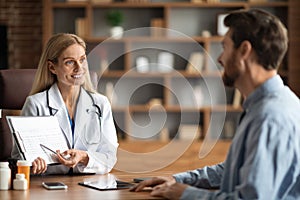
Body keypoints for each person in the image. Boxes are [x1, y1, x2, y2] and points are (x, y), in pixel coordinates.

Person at [130, 9, 300, 199]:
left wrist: (186, 194)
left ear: (244, 50)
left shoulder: (270, 117)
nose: (220, 59)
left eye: (225, 47)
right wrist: (178, 180)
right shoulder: (266, 106)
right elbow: (234, 169)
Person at [11, 33, 119, 175]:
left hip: (89, 186)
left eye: (82, 60)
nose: (79, 68)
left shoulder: (100, 104)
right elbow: (18, 158)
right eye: (69, 62)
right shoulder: (36, 104)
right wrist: (32, 164)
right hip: (49, 186)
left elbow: (109, 158)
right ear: (52, 67)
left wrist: (84, 157)